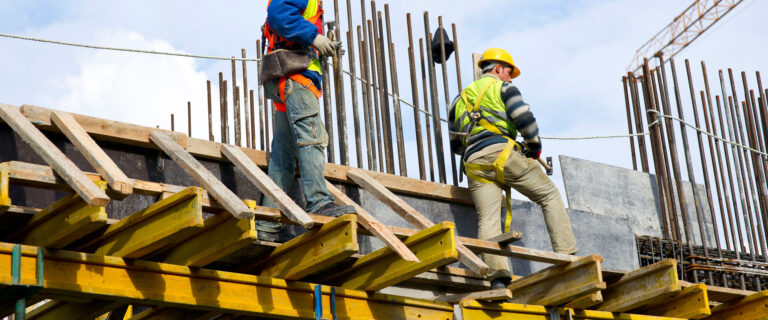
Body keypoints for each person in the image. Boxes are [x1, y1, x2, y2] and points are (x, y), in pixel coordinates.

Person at [448, 48, 577, 289]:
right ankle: (568, 255)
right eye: (509, 72)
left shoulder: (458, 100)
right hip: (504, 154)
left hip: (474, 163)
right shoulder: (503, 88)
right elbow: (524, 119)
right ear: (497, 68)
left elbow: (456, 145)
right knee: (549, 195)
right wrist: (534, 147)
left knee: (487, 219)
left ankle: (497, 277)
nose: (510, 78)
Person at [257, 0, 355, 241]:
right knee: (311, 139)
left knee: (283, 156)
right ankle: (319, 202)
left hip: (288, 80)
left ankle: (268, 222)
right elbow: (279, 15)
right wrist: (314, 37)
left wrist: (322, 43)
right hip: (298, 79)